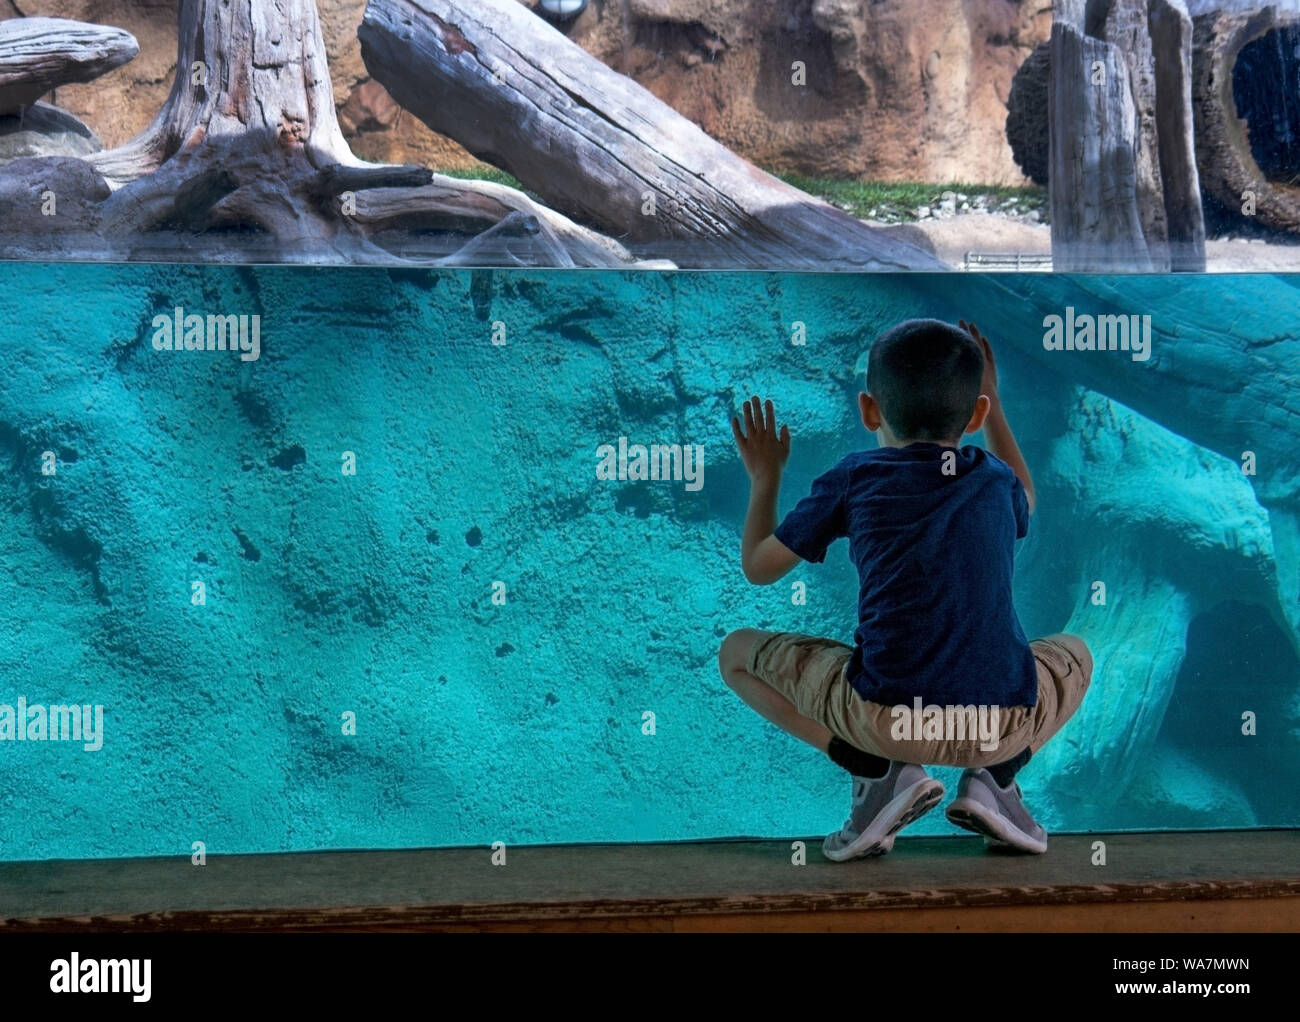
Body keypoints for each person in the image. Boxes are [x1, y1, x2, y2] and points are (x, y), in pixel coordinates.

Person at [719, 318, 1092, 861]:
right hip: (999, 725)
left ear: (869, 409)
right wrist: (996, 402)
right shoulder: (996, 479)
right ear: (977, 414)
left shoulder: (856, 477)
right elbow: (1027, 494)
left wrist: (765, 477)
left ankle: (875, 772)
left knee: (735, 654)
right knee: (1077, 653)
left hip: (888, 721)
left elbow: (758, 566)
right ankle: (995, 778)